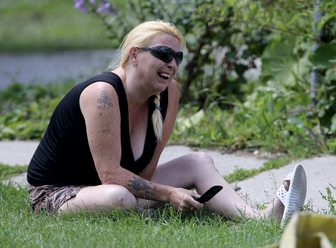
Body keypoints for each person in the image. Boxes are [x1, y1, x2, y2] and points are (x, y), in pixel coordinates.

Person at [27, 20, 307, 225]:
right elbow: (110, 176)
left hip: (113, 187)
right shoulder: (103, 93)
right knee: (119, 198)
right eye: (163, 54)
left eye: (178, 57)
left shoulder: (169, 92)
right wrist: (170, 194)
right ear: (134, 54)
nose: (172, 64)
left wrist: (164, 194)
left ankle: (261, 219)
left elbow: (145, 172)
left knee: (198, 161)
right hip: (58, 193)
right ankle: (191, 205)